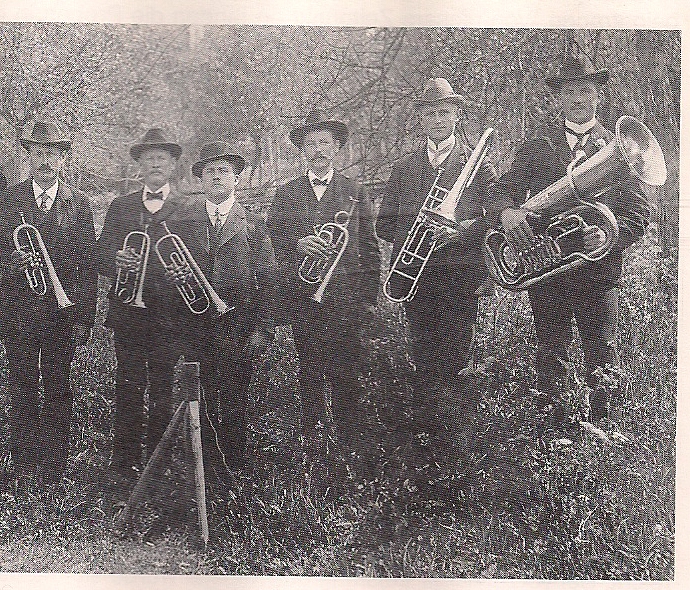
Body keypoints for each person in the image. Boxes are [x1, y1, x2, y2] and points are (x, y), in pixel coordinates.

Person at [494, 56, 650, 426]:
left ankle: (604, 437)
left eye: (585, 90)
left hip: (599, 272)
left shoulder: (620, 148)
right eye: (569, 92)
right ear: (558, 99)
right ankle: (555, 439)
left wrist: (608, 237)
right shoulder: (538, 145)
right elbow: (502, 190)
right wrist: (506, 213)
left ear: (598, 95)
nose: (578, 98)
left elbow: (639, 215)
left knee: (602, 355)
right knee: (551, 356)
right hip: (549, 272)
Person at [376, 78, 501, 471]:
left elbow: (494, 218)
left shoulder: (476, 163)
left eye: (443, 112)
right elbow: (383, 226)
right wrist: (414, 229)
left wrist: (462, 229)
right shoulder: (404, 168)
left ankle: (457, 458)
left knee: (456, 364)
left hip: (459, 280)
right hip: (415, 281)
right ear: (421, 119)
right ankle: (426, 456)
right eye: (429, 113)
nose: (436, 119)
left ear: (456, 115)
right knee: (424, 364)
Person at [0, 120, 96, 485]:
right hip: (19, 311)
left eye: (52, 153)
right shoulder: (8, 199)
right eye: (38, 152)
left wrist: (84, 317)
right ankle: (24, 463)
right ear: (28, 157)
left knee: (59, 387)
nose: (45, 160)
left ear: (63, 159)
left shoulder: (78, 203)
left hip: (62, 315)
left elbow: (88, 265)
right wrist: (12, 262)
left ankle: (54, 464)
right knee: (22, 385)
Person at [267, 111, 380, 451]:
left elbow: (370, 249)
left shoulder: (355, 191)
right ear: (302, 151)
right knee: (310, 370)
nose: (317, 150)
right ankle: (312, 443)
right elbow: (272, 243)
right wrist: (296, 244)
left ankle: (349, 444)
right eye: (310, 144)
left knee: (347, 373)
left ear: (337, 148)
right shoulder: (286, 193)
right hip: (304, 298)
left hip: (346, 300)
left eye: (324, 143)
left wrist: (369, 300)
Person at [161, 141, 277, 473]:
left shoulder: (253, 223)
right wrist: (173, 278)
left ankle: (234, 469)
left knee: (235, 397)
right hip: (194, 326)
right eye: (209, 171)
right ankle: (204, 468)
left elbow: (268, 279)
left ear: (236, 179)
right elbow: (167, 274)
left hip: (238, 326)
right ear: (199, 180)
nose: (216, 177)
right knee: (201, 397)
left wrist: (265, 329)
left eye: (223, 171)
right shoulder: (183, 220)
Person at [95, 128, 188, 481]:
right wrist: (115, 258)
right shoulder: (121, 206)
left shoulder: (189, 206)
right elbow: (99, 254)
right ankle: (123, 463)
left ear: (173, 165)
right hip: (128, 312)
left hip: (170, 315)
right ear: (139, 166)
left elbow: (196, 258)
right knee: (128, 384)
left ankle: (158, 463)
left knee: (164, 387)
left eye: (161, 159)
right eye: (148, 159)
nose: (154, 165)